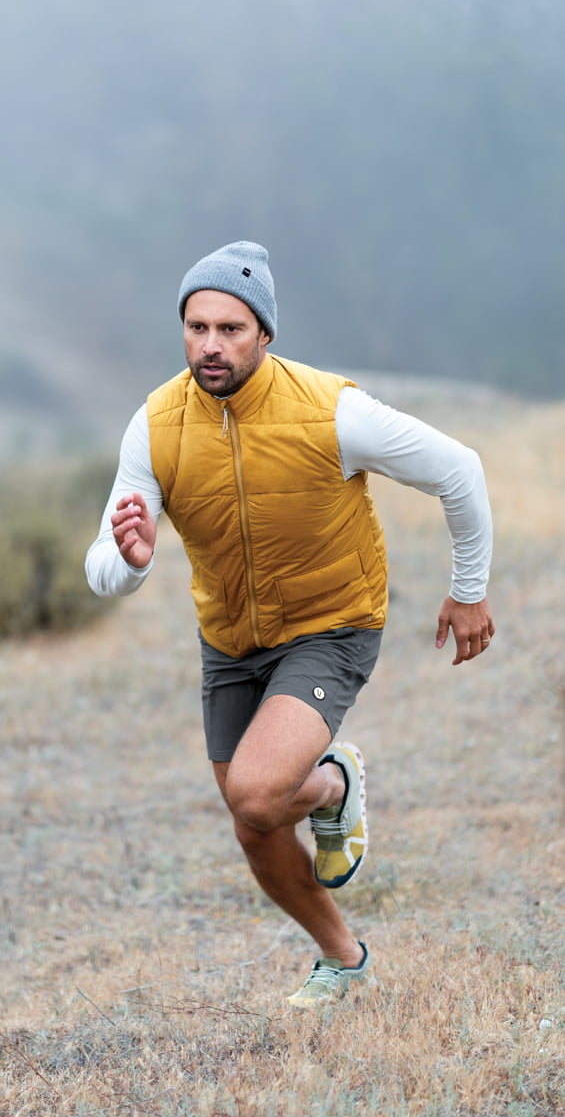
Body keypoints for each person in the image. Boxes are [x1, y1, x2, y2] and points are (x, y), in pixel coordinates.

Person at [85, 241, 494, 1008]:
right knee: (254, 824)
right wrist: (131, 558)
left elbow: (458, 469)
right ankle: (341, 957)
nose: (211, 345)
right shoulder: (155, 424)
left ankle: (334, 780)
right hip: (230, 640)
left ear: (264, 335)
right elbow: (103, 565)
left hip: (330, 623)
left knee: (257, 794)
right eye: (196, 327)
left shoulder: (328, 410)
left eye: (231, 329)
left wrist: (467, 590)